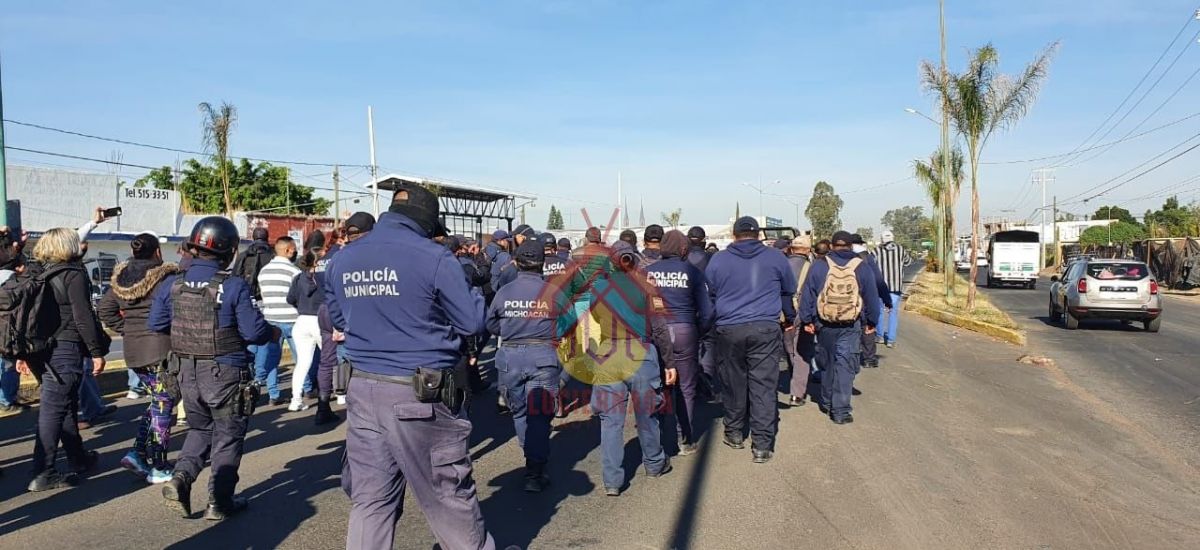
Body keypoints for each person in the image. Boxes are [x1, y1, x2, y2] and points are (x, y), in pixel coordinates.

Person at [326, 183, 494, 550]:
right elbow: (471, 323)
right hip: (419, 396)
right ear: (426, 220)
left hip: (362, 389)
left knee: (371, 500)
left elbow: (337, 316)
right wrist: (475, 290)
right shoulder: (434, 258)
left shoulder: (344, 258)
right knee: (447, 497)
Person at [150, 216, 273, 520]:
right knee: (228, 436)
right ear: (230, 250)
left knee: (201, 429)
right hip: (225, 373)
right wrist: (271, 330)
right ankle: (219, 501)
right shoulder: (232, 286)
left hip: (186, 373)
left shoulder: (172, 284)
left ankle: (181, 478)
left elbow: (156, 324)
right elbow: (254, 333)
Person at [13, 228, 108, 491]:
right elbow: (83, 316)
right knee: (54, 409)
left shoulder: (37, 273)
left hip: (38, 349)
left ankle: (77, 457)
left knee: (64, 403)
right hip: (64, 346)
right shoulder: (72, 274)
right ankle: (43, 471)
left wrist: (20, 355)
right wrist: (96, 351)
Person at [705, 216, 796, 464]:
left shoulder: (719, 259)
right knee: (764, 387)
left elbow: (711, 292)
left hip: (729, 328)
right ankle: (762, 445)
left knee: (733, 383)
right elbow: (789, 288)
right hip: (765, 328)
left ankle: (734, 433)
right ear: (758, 235)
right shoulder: (776, 257)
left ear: (734, 235)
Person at [589, 240, 674, 496]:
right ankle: (654, 463)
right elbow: (659, 327)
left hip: (608, 354)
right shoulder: (646, 285)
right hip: (640, 353)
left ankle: (612, 481)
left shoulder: (598, 288)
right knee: (647, 413)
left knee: (610, 421)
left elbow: (593, 321)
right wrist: (669, 362)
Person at [97, 232, 180, 485]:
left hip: (133, 350)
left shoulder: (120, 278)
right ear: (157, 252)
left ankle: (137, 452)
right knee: (164, 403)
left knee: (159, 400)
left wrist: (126, 328)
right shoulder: (166, 277)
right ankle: (159, 464)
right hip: (159, 347)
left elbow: (105, 309)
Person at [486, 239, 564, 493]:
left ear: (517, 262)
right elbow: (569, 322)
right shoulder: (552, 292)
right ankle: (535, 467)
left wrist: (511, 332)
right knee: (540, 416)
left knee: (519, 412)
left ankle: (530, 456)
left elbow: (491, 324)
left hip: (510, 359)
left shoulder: (505, 292)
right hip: (543, 356)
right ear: (543, 263)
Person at [799, 231, 881, 425]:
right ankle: (841, 410)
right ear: (851, 246)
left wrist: (807, 320)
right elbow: (871, 296)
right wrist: (872, 322)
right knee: (844, 364)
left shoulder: (819, 265)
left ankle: (827, 401)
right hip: (850, 325)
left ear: (832, 246)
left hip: (823, 323)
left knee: (827, 363)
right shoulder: (861, 266)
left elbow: (808, 294)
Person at [644, 230, 712, 456]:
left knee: (659, 385)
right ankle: (686, 438)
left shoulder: (646, 273)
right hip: (685, 331)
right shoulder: (692, 272)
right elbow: (707, 311)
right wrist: (699, 332)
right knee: (686, 387)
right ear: (684, 249)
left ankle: (662, 437)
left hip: (655, 333)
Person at [317, 212, 374, 414]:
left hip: (338, 319)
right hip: (371, 328)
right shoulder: (376, 257)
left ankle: (336, 398)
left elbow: (331, 299)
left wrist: (344, 325)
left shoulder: (334, 260)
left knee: (332, 358)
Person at [256, 237, 301, 406]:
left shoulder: (264, 271)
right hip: (292, 319)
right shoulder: (295, 272)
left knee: (272, 359)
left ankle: (273, 394)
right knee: (301, 358)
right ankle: (305, 388)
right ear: (288, 250)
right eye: (294, 249)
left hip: (271, 320)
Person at [287, 250, 323, 414]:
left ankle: (296, 400)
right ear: (316, 263)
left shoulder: (297, 278)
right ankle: (340, 394)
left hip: (301, 322)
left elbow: (290, 299)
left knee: (302, 364)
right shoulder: (321, 278)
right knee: (331, 360)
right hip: (320, 320)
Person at [852, 234, 892, 370]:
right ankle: (869, 358)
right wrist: (886, 299)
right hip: (865, 298)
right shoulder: (866, 257)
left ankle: (851, 356)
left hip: (847, 300)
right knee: (868, 326)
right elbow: (879, 280)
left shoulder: (841, 258)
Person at [783, 237, 814, 405]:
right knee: (802, 352)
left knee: (787, 349)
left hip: (780, 314)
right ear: (808, 251)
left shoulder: (781, 265)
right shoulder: (812, 267)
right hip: (802, 314)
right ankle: (797, 394)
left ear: (791, 249)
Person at [0, 227, 27, 416]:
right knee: (8, 365)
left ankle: (7, 398)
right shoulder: (10, 281)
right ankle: (6, 400)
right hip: (6, 332)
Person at [874, 230, 912, 348]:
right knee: (893, 313)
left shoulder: (876, 251)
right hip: (896, 287)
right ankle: (890, 340)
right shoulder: (901, 250)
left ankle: (879, 336)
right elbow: (908, 262)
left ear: (881, 239)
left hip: (880, 288)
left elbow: (869, 264)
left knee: (880, 311)